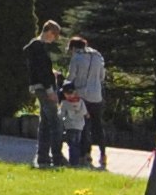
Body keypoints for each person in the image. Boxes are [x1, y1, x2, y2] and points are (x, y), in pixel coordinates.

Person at [28, 20, 67, 167]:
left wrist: (52, 73)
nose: (54, 39)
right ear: (49, 32)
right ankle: (57, 156)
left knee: (44, 123)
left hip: (39, 86)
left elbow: (41, 69)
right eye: (54, 36)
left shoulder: (35, 46)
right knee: (56, 122)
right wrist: (51, 91)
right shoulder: (38, 47)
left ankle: (43, 156)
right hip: (44, 88)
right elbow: (42, 72)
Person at [67, 31, 108, 169]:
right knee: (98, 126)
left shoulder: (76, 58)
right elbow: (102, 76)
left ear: (73, 48)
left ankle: (86, 154)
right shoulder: (97, 55)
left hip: (82, 96)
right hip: (97, 96)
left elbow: (71, 77)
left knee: (84, 125)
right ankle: (103, 154)